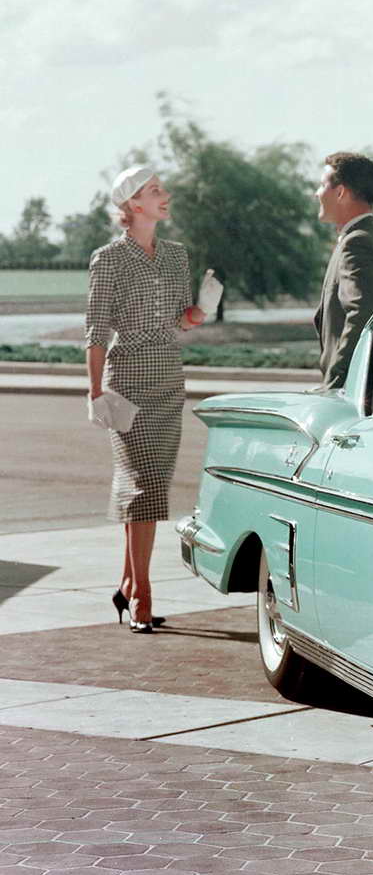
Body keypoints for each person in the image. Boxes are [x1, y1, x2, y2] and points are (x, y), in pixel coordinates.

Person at [85, 165, 205, 634]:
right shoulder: (108, 259)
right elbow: (96, 331)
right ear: (133, 204)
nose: (165, 195)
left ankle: (127, 584)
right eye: (155, 191)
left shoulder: (177, 255)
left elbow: (178, 321)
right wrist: (95, 392)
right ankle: (142, 594)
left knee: (149, 486)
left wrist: (196, 315)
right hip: (127, 384)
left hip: (169, 381)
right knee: (144, 486)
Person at [313, 151, 373, 391]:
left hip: (362, 390)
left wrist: (334, 385)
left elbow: (361, 315)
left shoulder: (357, 242)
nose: (317, 193)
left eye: (322, 185)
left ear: (341, 192)